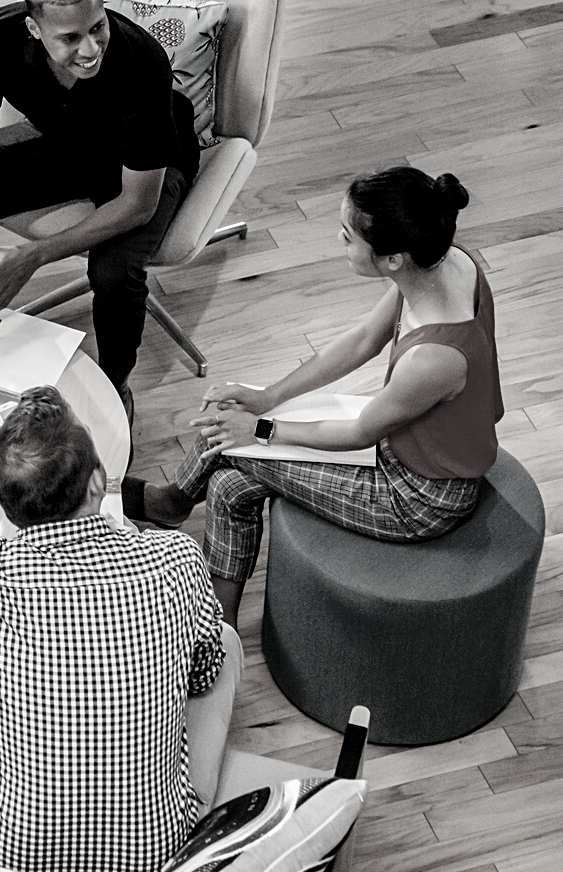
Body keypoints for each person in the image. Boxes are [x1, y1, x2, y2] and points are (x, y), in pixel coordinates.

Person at [126, 167, 502, 628]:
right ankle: (217, 625)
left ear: (392, 260)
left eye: (347, 237)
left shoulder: (436, 358)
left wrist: (261, 429)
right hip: (399, 446)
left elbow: (360, 432)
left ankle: (174, 510)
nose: (338, 240)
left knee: (230, 440)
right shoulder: (443, 264)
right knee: (227, 483)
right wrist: (269, 397)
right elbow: (364, 338)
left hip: (416, 498)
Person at [0, 387, 224, 872]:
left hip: (3, 854)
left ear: (5, 506)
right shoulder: (176, 559)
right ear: (98, 484)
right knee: (225, 644)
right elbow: (204, 670)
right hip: (157, 854)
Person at [0, 0, 201, 417]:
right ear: (33, 29)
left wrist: (33, 257)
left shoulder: (142, 62)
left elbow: (139, 204)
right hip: (64, 141)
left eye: (98, 26)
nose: (90, 49)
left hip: (146, 167)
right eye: (70, 37)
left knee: (114, 274)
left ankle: (114, 386)